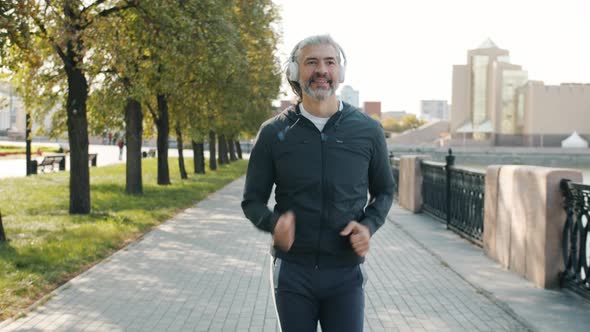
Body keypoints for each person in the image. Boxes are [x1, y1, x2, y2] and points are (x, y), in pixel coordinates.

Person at [241, 34, 394, 332]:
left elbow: (385, 191)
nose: (321, 70)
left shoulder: (368, 130)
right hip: (293, 272)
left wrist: (369, 226)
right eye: (311, 62)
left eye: (329, 62)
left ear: (340, 72)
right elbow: (252, 201)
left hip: (346, 273)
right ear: (296, 72)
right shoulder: (273, 132)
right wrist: (273, 224)